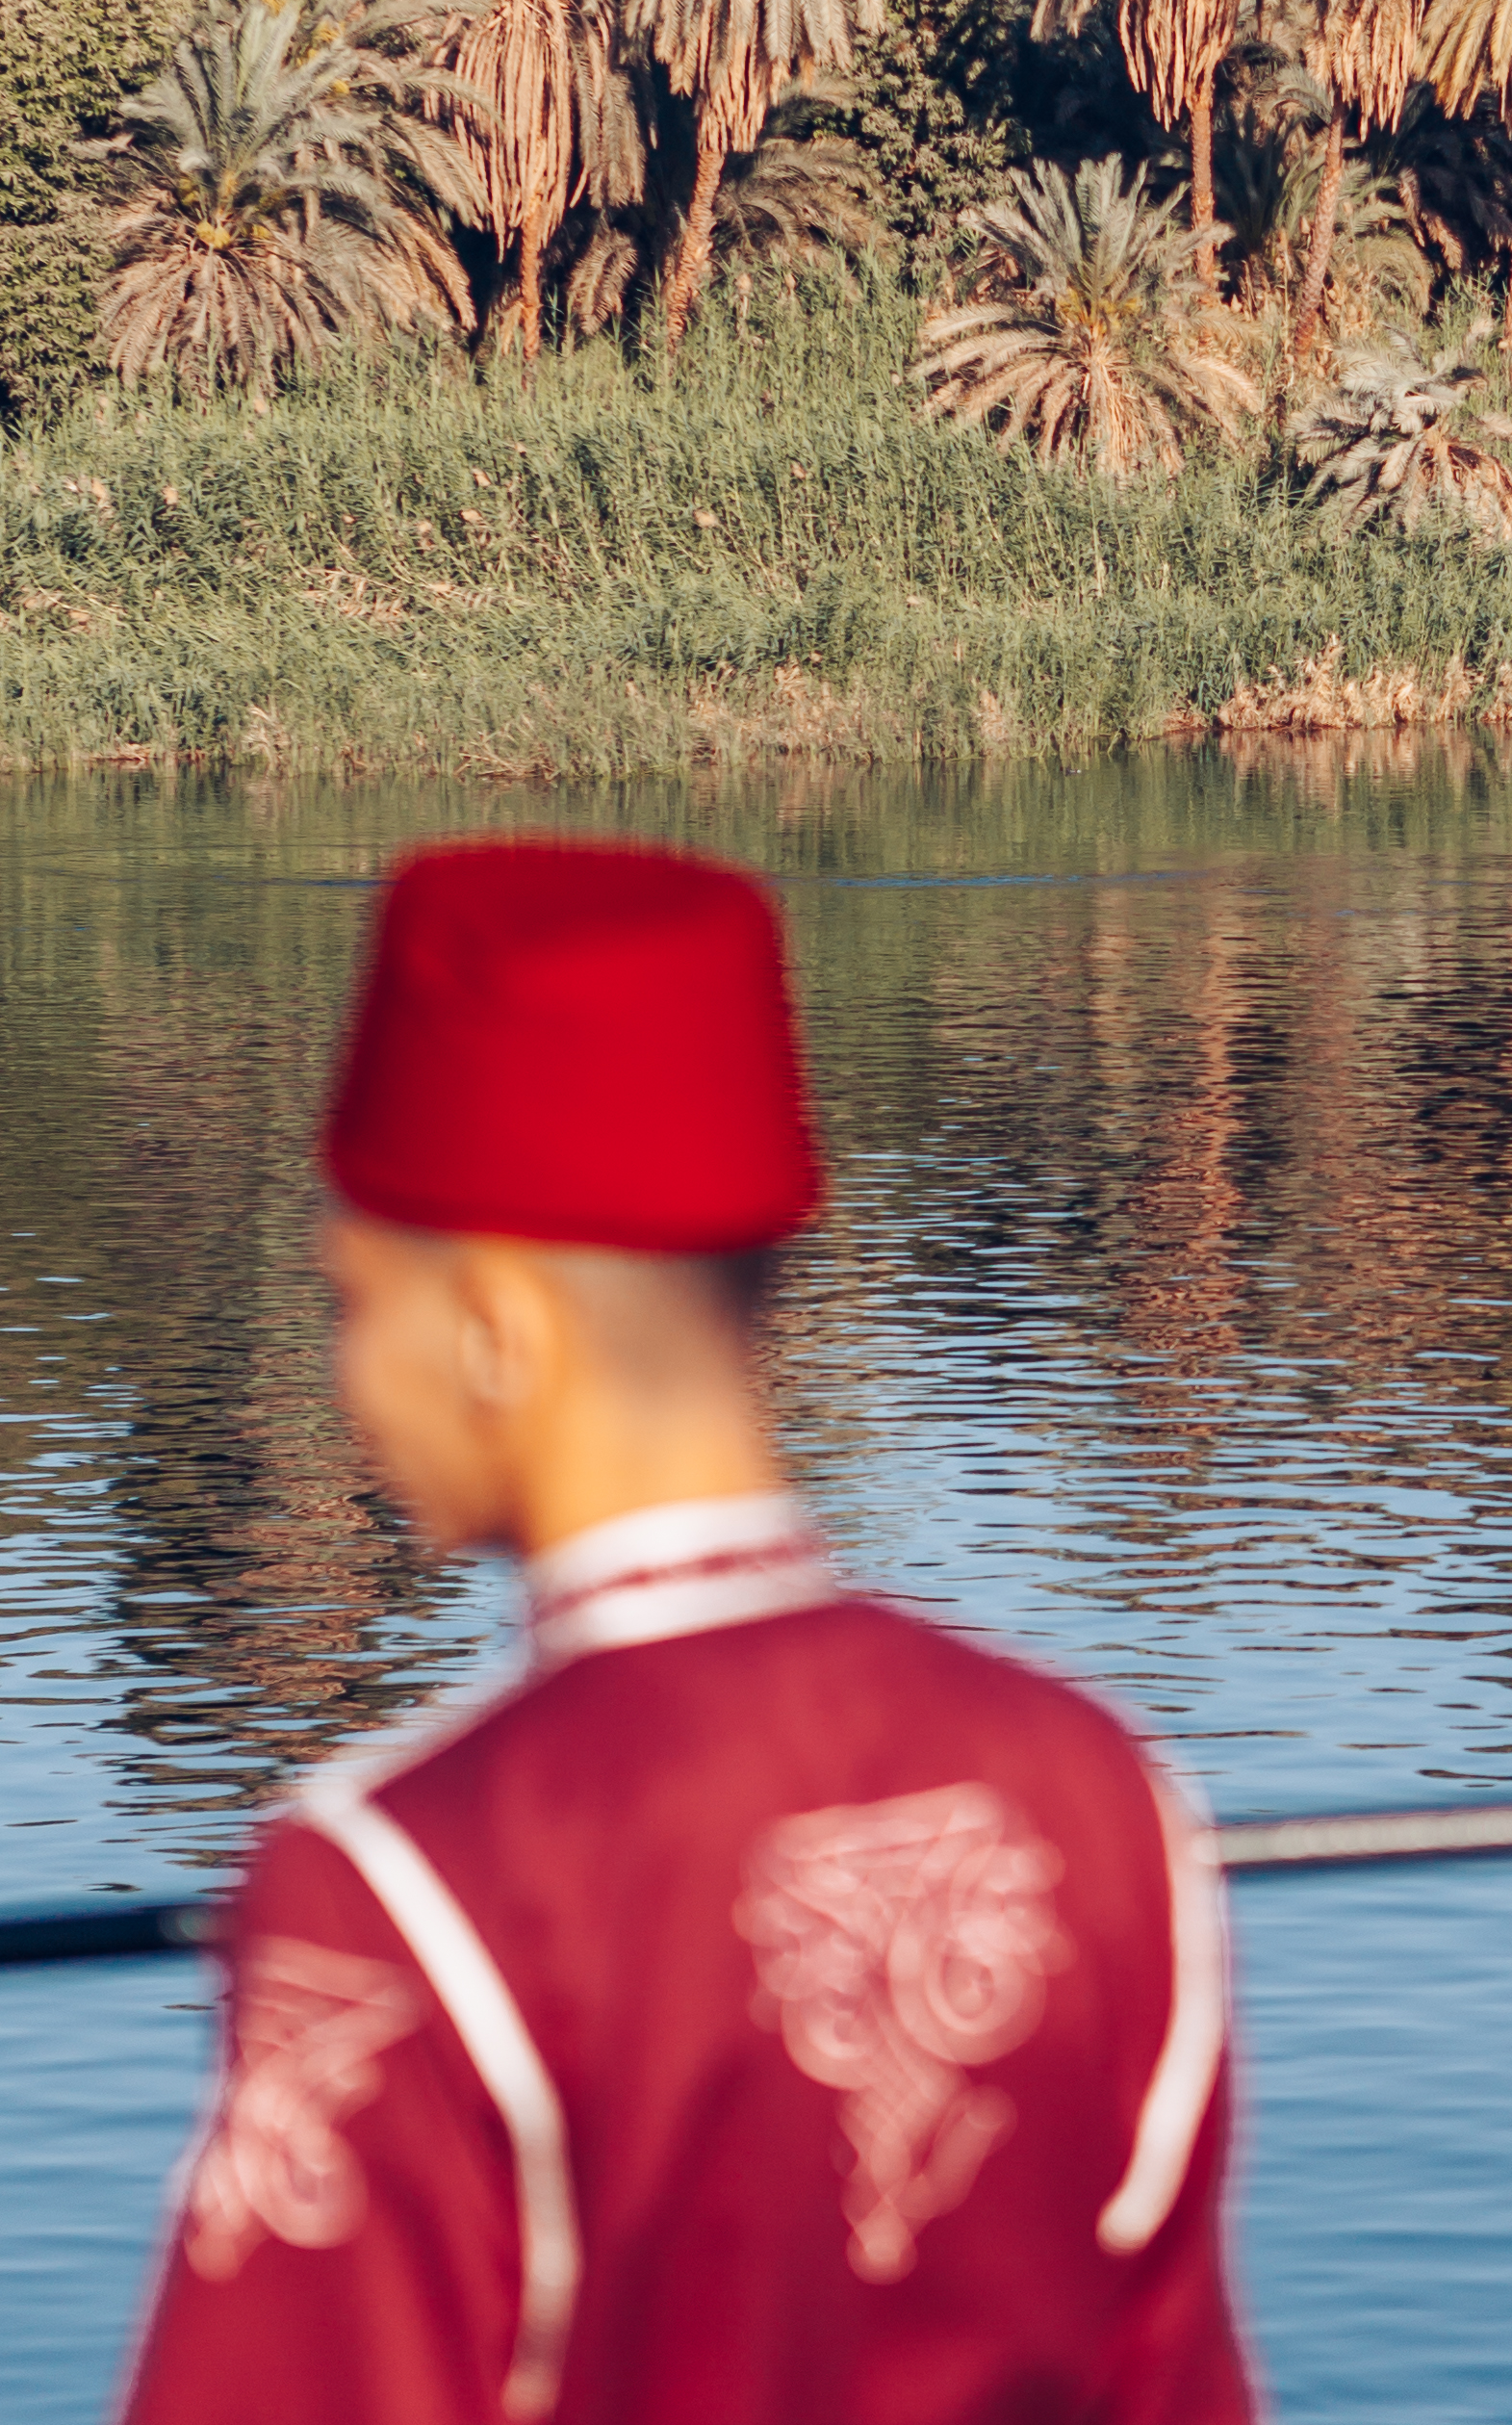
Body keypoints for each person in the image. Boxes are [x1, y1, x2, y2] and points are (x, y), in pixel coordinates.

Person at [116, 832, 1256, 2425]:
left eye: (350, 1301)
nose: (343, 1375)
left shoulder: (396, 1878)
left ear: (496, 1329)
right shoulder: (1106, 1790)